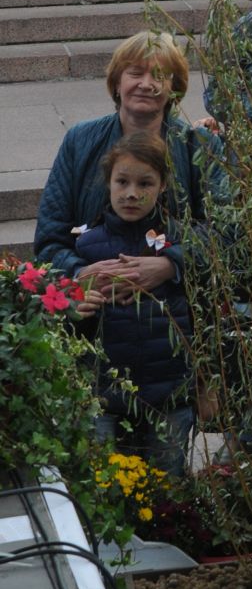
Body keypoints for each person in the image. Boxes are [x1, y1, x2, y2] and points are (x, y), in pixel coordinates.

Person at [36, 33, 216, 284]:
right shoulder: (80, 141)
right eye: (136, 73)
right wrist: (81, 274)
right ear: (117, 83)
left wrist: (172, 264)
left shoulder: (200, 146)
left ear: (174, 89)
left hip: (176, 308)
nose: (146, 83)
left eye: (159, 75)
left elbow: (225, 231)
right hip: (94, 309)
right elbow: (50, 238)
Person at [72, 130, 195, 477]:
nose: (131, 194)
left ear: (162, 186)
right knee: (103, 491)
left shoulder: (179, 242)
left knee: (167, 490)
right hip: (105, 399)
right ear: (108, 184)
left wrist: (205, 386)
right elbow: (74, 331)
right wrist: (78, 309)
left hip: (169, 396)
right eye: (122, 182)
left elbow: (204, 318)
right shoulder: (87, 249)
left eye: (145, 184)